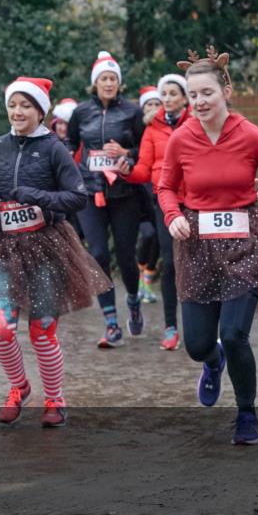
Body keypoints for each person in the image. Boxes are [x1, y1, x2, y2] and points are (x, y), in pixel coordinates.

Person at [158, 47, 258, 445]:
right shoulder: (181, 139)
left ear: (227, 90)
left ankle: (246, 414)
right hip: (197, 244)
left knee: (237, 334)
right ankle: (212, 362)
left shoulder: (250, 134)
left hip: (246, 240)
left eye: (207, 93)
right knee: (198, 344)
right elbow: (166, 187)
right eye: (193, 95)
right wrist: (173, 215)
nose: (199, 102)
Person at [0, 77, 110, 428]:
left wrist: (40, 200)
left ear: (40, 111)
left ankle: (55, 398)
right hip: (6, 247)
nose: (17, 112)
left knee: (42, 329)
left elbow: (77, 196)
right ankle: (19, 388)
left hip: (47, 247)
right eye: (12, 105)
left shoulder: (54, 149)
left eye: (25, 106)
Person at [67, 51, 146, 348]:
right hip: (90, 192)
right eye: (104, 78)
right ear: (95, 83)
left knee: (126, 256)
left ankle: (134, 300)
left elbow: (144, 148)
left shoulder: (132, 112)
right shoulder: (81, 112)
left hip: (124, 192)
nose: (109, 83)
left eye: (113, 78)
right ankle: (111, 323)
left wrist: (126, 154)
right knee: (98, 254)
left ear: (119, 83)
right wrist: (73, 171)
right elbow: (69, 143)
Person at [119, 73, 191, 350]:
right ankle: (171, 326)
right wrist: (125, 171)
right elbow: (143, 170)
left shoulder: (197, 124)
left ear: (185, 98)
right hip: (167, 203)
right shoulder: (152, 128)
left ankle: (207, 326)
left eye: (175, 93)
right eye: (165, 93)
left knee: (199, 264)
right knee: (171, 263)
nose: (169, 98)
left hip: (198, 201)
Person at [134, 85, 163, 305]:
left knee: (159, 242)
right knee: (148, 234)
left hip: (160, 193)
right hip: (138, 193)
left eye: (156, 104)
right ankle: (139, 280)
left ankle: (147, 282)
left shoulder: (165, 130)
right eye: (149, 105)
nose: (153, 108)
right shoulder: (137, 131)